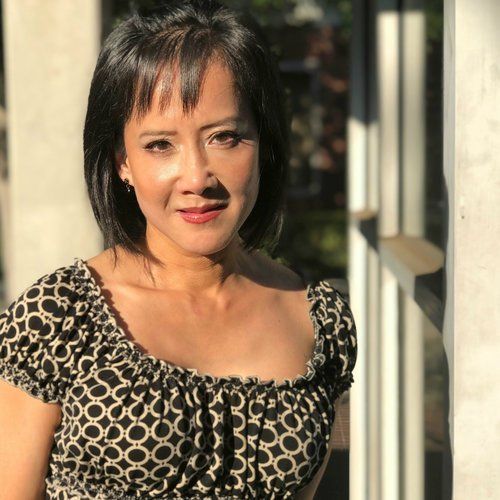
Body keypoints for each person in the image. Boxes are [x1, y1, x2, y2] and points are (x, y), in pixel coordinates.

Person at [0, 1, 357, 498]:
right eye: (160, 145)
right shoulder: (57, 316)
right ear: (122, 161)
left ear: (263, 142)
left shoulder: (320, 320)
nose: (196, 178)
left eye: (225, 137)